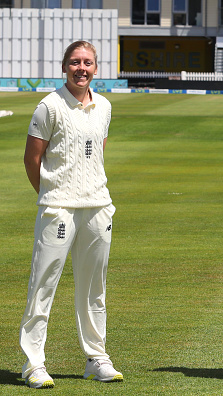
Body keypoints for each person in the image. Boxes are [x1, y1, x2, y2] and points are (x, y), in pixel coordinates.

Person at [20, 40, 123, 389]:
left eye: (88, 63)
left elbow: (97, 156)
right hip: (59, 208)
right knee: (43, 285)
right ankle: (34, 364)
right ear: (65, 67)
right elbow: (32, 159)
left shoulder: (105, 107)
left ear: (97, 69)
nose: (82, 68)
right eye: (75, 62)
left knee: (95, 288)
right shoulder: (48, 107)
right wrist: (52, 194)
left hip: (97, 207)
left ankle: (96, 358)